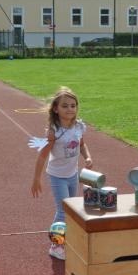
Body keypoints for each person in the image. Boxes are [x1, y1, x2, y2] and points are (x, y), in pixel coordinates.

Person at [31, 86, 93, 260]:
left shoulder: (79, 126)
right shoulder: (54, 132)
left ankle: (66, 238)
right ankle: (56, 246)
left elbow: (81, 145)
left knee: (70, 209)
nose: (70, 109)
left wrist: (87, 157)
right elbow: (43, 156)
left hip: (73, 174)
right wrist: (36, 179)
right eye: (65, 106)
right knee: (63, 211)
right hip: (58, 176)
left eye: (73, 105)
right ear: (56, 109)